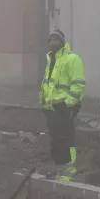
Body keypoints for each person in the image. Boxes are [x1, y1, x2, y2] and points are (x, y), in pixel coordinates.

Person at [40, 29, 85, 181]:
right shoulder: (51, 60)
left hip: (63, 108)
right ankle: (60, 172)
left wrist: (68, 104)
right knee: (56, 142)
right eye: (50, 40)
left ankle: (69, 174)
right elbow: (48, 85)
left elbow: (78, 84)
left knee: (67, 141)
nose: (53, 42)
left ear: (62, 42)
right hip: (51, 109)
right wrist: (43, 102)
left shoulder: (72, 59)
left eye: (56, 39)